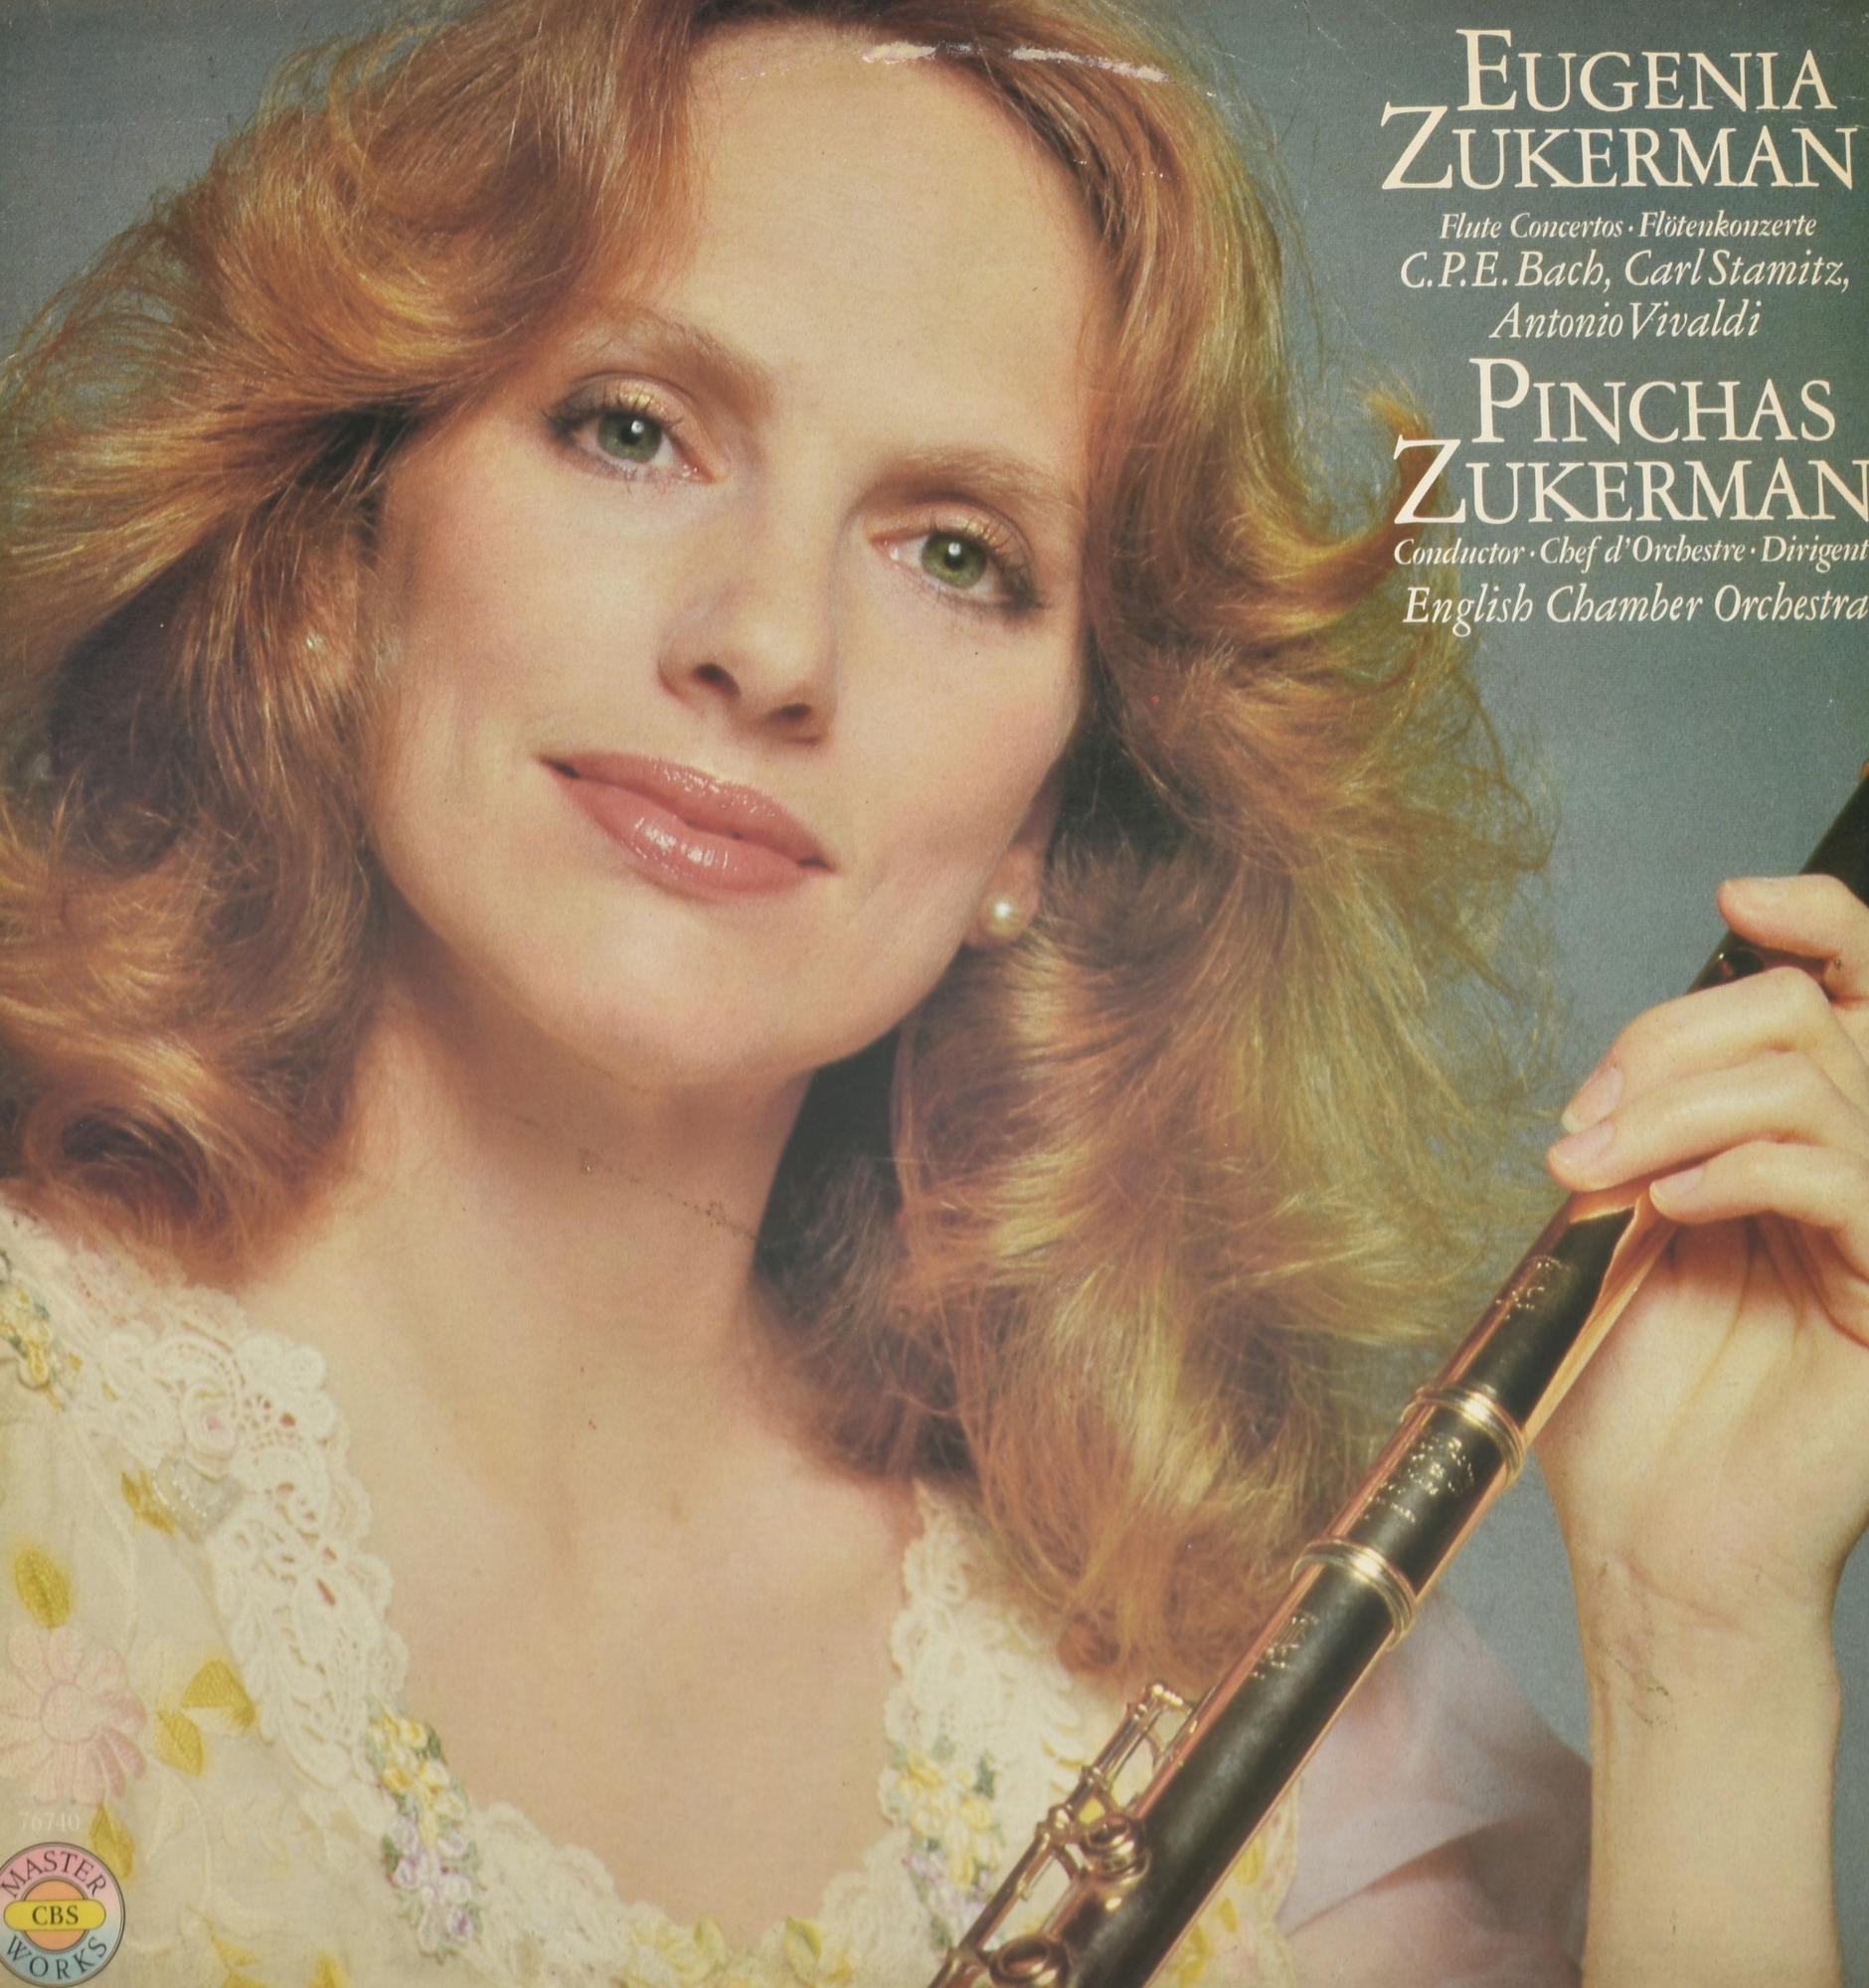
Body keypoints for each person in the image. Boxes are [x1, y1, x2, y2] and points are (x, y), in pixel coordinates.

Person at [0, 0, 1862, 1983]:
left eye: (956, 553)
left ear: (1043, 813)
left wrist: (1698, 1644)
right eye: (633, 427)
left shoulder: (1267, 1742)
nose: (767, 644)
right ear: (349, 544)